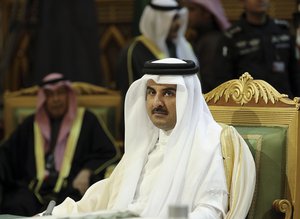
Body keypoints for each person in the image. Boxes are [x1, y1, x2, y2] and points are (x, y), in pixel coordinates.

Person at [48, 58, 256, 219]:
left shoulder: (208, 144)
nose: (156, 103)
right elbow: (108, 193)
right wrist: (61, 213)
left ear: (186, 97)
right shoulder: (145, 145)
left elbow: (211, 209)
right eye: (151, 92)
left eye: (168, 93)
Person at [0, 73, 119, 216]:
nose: (56, 99)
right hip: (33, 191)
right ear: (44, 98)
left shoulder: (88, 120)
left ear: (68, 95)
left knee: (78, 208)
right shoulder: (31, 124)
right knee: (14, 206)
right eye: (50, 94)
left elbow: (109, 152)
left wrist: (87, 171)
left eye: (60, 93)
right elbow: (6, 154)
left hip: (71, 189)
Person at [213, 0, 300, 98]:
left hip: (284, 101)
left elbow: (295, 73)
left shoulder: (282, 30)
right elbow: (223, 81)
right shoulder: (232, 36)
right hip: (249, 103)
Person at [116, 0, 198, 99]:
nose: (178, 24)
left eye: (177, 18)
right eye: (172, 19)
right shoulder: (134, 51)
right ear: (157, 21)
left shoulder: (182, 46)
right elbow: (131, 95)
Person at [182, 0, 231, 93]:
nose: (187, 14)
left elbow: (209, 83)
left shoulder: (212, 42)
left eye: (191, 9)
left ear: (207, 13)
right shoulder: (199, 38)